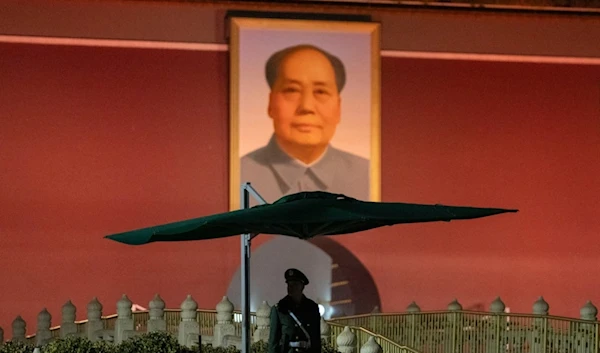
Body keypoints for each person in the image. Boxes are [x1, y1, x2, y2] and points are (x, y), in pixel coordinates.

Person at [241, 44, 370, 204]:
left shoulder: (366, 173)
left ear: (338, 107)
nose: (306, 107)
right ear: (270, 103)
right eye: (292, 90)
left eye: (321, 92)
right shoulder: (241, 172)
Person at [269, 268, 322, 353]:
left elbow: (316, 340)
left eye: (294, 284)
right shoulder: (279, 309)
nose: (291, 288)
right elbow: (273, 342)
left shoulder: (312, 308)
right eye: (289, 285)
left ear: (302, 286)